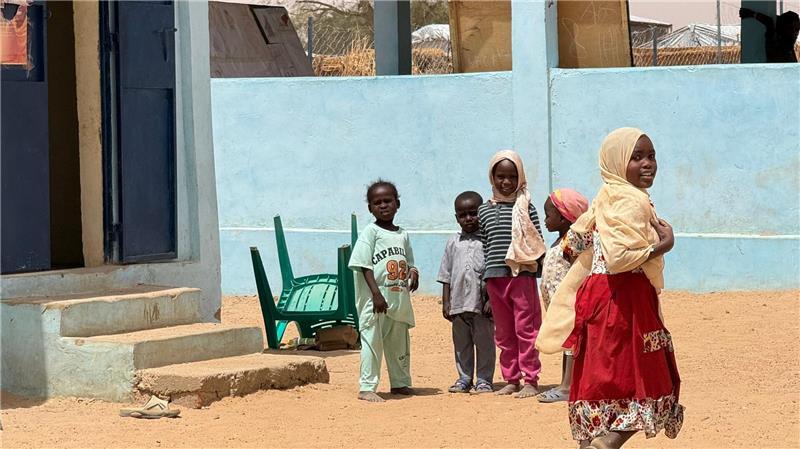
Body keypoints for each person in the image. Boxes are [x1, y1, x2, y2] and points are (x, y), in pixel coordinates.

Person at [537, 128, 684, 449]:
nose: (648, 164)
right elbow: (621, 258)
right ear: (617, 162)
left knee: (602, 380)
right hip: (625, 300)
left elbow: (571, 245)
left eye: (651, 156)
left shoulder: (605, 198)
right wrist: (664, 245)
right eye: (636, 157)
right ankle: (609, 442)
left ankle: (594, 443)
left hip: (597, 300)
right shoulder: (631, 201)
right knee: (647, 381)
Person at [478, 150, 547, 399]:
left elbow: (536, 240)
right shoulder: (484, 211)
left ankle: (531, 379)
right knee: (504, 332)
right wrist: (484, 281)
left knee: (526, 329)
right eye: (500, 176)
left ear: (520, 178)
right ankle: (511, 378)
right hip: (495, 278)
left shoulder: (526, 207)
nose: (506, 182)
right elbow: (485, 246)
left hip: (521, 277)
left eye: (511, 176)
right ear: (492, 177)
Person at [349, 180, 419, 403]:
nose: (383, 206)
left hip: (397, 301)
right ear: (370, 208)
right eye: (376, 202)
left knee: (399, 343)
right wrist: (376, 294)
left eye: (387, 201)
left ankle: (400, 383)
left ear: (397, 203)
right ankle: (367, 387)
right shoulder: (371, 232)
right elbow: (363, 264)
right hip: (376, 303)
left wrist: (413, 271)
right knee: (372, 342)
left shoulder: (402, 234)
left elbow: (408, 260)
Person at [438, 191, 496, 394]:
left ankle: (484, 380)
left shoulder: (488, 241)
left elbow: (494, 272)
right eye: (463, 215)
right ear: (456, 217)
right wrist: (446, 303)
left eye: (473, 213)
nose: (468, 219)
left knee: (484, 343)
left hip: (481, 305)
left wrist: (491, 300)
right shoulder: (453, 242)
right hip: (458, 304)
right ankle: (464, 378)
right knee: (461, 344)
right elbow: (445, 275)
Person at [536, 188, 589, 404]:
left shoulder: (571, 244)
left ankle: (568, 387)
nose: (545, 220)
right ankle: (567, 384)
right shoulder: (559, 242)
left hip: (569, 304)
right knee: (566, 345)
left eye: (549, 215)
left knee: (570, 345)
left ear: (564, 217)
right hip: (558, 305)